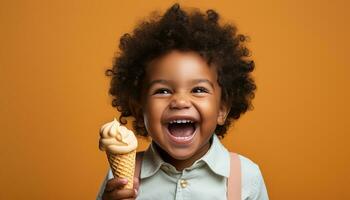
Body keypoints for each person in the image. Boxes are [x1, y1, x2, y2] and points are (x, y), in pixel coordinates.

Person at [97, 3, 269, 200]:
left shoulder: (246, 176)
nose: (180, 101)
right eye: (162, 91)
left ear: (222, 109)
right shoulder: (120, 178)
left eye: (198, 90)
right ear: (139, 108)